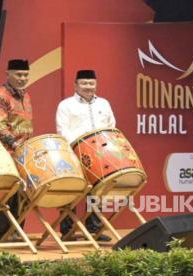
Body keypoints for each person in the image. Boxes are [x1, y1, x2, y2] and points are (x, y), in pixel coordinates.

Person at [56, 69, 115, 241]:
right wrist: (81, 145)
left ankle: (94, 230)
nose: (88, 87)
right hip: (74, 152)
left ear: (96, 84)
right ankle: (67, 231)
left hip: (100, 154)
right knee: (72, 188)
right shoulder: (66, 105)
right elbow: (62, 130)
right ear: (75, 85)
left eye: (91, 83)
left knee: (97, 190)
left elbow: (111, 125)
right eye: (83, 83)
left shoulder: (104, 103)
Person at [0, 59, 33, 241]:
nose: (23, 78)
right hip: (5, 152)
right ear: (8, 74)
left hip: (23, 152)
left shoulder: (26, 96)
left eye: (25, 75)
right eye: (19, 74)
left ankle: (17, 232)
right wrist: (15, 145)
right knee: (5, 195)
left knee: (22, 195)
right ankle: (3, 234)